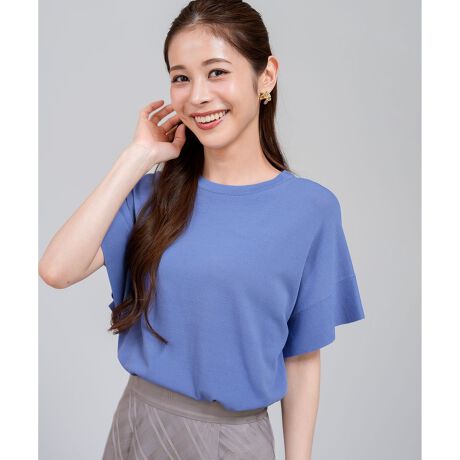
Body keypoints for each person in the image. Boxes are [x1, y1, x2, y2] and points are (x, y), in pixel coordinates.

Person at [39, 1, 365, 459]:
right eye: (181, 78)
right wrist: (136, 158)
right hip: (139, 429)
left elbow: (303, 357)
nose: (197, 96)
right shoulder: (151, 195)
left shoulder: (311, 210)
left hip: (236, 441)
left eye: (217, 72)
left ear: (266, 76)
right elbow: (57, 269)